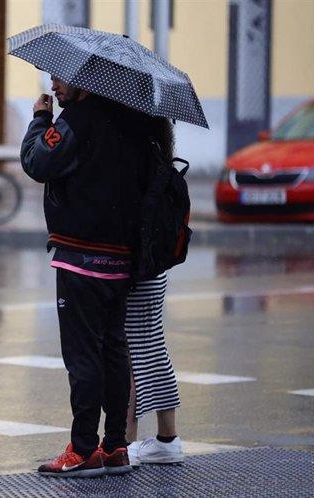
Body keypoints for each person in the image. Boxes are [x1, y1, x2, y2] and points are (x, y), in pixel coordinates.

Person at [20, 77, 150, 478]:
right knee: (113, 351)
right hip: (121, 260)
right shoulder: (133, 123)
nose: (54, 86)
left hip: (82, 258)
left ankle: (82, 450)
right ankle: (115, 447)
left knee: (83, 356)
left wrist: (41, 120)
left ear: (82, 82)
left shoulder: (79, 118)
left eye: (60, 79)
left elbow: (38, 162)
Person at [123, 118, 184, 466]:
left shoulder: (135, 154)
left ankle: (127, 442)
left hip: (136, 260)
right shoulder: (159, 150)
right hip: (155, 261)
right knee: (151, 342)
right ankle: (167, 438)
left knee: (130, 349)